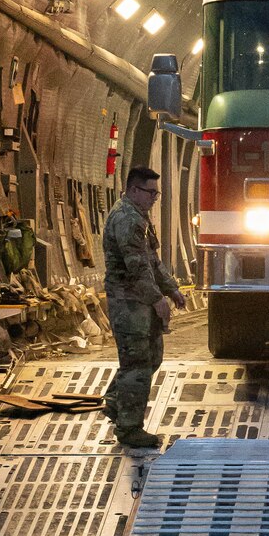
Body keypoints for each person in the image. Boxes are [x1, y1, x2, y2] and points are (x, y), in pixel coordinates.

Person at [102, 164, 185, 450]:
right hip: (128, 303)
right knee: (137, 365)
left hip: (139, 302)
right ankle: (129, 429)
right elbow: (136, 267)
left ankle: (116, 401)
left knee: (151, 357)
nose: (154, 198)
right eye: (151, 193)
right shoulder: (127, 220)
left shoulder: (139, 217)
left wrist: (171, 288)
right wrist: (157, 299)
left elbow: (152, 261)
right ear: (134, 190)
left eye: (156, 194)